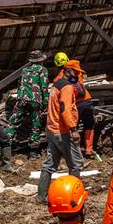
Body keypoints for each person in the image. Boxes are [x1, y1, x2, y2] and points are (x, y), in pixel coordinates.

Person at [38, 60, 85, 202]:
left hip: (52, 128)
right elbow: (65, 111)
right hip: (63, 130)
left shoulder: (55, 86)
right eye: (76, 72)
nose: (77, 75)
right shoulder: (67, 87)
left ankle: (41, 196)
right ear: (68, 70)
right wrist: (73, 129)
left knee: (49, 164)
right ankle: (73, 195)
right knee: (76, 164)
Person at [9, 50, 50, 147]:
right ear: (41, 60)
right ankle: (33, 149)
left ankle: (6, 142)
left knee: (14, 121)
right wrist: (45, 102)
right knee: (36, 123)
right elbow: (44, 87)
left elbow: (19, 85)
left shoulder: (24, 70)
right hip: (35, 100)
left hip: (22, 98)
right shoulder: (42, 69)